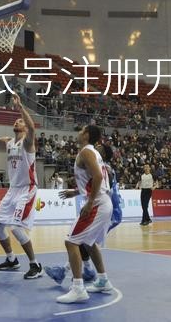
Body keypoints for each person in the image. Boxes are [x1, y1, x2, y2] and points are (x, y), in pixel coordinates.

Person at [0, 94, 42, 280]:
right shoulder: (8, 142)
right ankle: (12, 259)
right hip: (13, 189)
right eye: (16, 120)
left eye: (20, 121)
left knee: (16, 228)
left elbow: (32, 127)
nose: (17, 121)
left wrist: (20, 107)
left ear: (24, 127)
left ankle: (35, 265)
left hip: (27, 189)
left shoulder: (27, 142)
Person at [56, 125, 114, 304]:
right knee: (88, 244)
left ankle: (78, 288)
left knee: (71, 242)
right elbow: (93, 178)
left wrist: (89, 202)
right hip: (102, 201)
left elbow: (98, 177)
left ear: (87, 135)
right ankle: (103, 280)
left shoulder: (87, 152)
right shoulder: (93, 152)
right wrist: (76, 192)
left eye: (82, 130)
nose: (79, 133)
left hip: (97, 203)